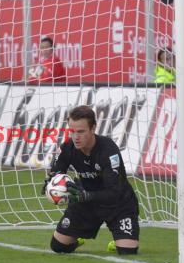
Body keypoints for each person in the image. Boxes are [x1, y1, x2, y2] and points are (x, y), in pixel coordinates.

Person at [42, 105, 140, 255]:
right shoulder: (68, 148)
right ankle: (77, 237)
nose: (76, 137)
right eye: (72, 131)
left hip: (118, 204)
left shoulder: (108, 151)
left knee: (127, 251)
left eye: (81, 131)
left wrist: (88, 195)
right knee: (58, 247)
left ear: (93, 128)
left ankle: (118, 240)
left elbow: (114, 191)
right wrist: (51, 182)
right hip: (85, 202)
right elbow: (57, 171)